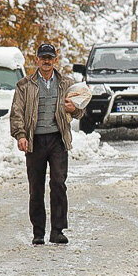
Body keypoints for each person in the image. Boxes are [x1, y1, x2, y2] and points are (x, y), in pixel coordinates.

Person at [9, 43, 85, 245]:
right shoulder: (25, 85)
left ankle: (58, 231)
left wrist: (74, 109)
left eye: (50, 57)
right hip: (35, 141)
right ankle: (38, 232)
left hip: (57, 140)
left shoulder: (66, 84)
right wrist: (21, 135)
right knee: (36, 187)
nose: (46, 60)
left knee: (59, 183)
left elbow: (80, 109)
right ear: (37, 59)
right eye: (43, 57)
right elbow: (16, 112)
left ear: (55, 60)